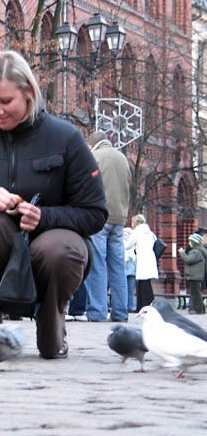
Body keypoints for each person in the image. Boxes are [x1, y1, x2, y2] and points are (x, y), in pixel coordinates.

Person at [0, 50, 107, 360]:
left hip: (53, 244)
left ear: (28, 93)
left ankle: (52, 329)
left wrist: (44, 217)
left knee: (59, 249)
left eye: (5, 101)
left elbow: (95, 213)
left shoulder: (66, 138)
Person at [83, 131, 132, 322]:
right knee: (118, 266)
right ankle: (121, 312)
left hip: (99, 218)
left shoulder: (93, 157)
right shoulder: (122, 158)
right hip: (119, 219)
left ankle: (98, 310)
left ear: (91, 144)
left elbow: (86, 185)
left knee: (97, 265)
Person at [125, 214, 158, 311]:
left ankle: (145, 305)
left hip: (142, 258)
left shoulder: (137, 232)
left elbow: (127, 246)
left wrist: (124, 241)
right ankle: (143, 305)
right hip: (150, 257)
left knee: (143, 284)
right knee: (145, 282)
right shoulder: (149, 232)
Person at [178, 233, 207, 314]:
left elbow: (188, 260)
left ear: (194, 242)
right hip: (195, 276)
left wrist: (182, 253)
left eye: (190, 242)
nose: (189, 243)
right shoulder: (198, 251)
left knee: (196, 294)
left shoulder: (196, 252)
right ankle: (200, 309)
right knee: (196, 293)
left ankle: (199, 310)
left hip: (194, 276)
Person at [123, 226, 137, 313]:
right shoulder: (120, 244)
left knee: (130, 290)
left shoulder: (132, 246)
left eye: (127, 234)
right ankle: (124, 306)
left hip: (131, 271)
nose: (125, 236)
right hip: (124, 270)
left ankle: (130, 306)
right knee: (124, 289)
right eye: (124, 234)